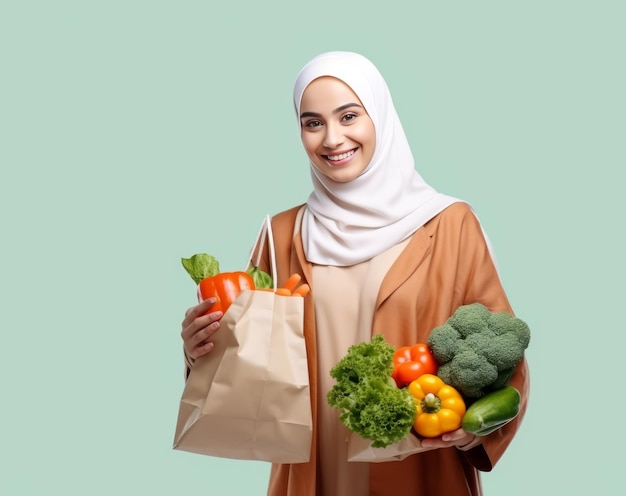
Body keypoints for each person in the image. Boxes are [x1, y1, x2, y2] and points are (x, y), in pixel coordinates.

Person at [180, 51, 530, 496]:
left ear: (380, 117)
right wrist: (199, 353)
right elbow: (249, 365)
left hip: (420, 471)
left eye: (349, 116)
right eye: (313, 123)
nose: (332, 138)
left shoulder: (449, 224)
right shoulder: (281, 233)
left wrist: (477, 427)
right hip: (311, 472)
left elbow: (503, 352)